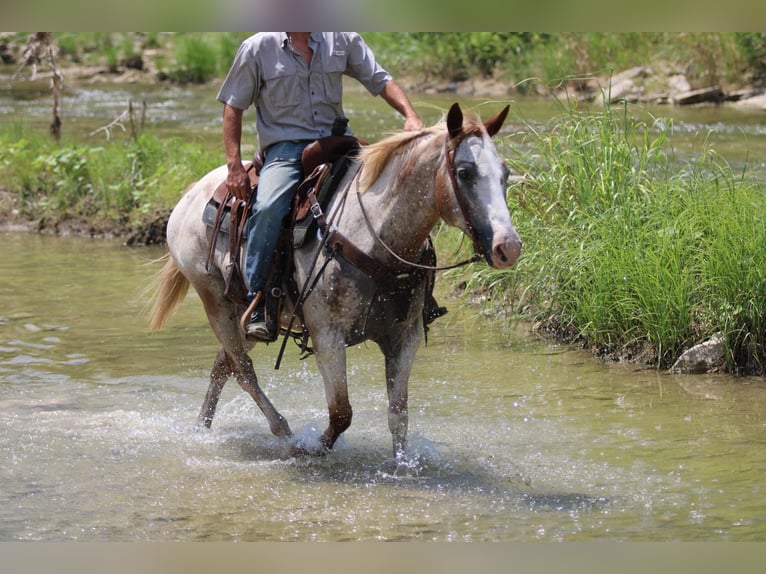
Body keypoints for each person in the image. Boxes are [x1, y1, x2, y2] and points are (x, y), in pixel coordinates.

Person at [217, 32, 430, 340]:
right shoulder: (257, 48)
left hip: (339, 141)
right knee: (267, 208)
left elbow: (380, 79)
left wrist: (410, 116)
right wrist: (234, 165)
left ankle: (418, 288)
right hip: (286, 149)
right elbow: (233, 107)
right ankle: (260, 298)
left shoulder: (342, 39)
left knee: (397, 187)